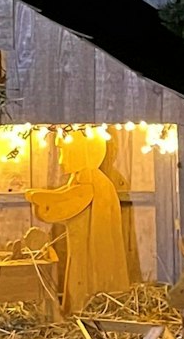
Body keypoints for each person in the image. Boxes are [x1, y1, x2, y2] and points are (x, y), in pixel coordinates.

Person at [26, 132, 134, 314]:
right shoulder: (82, 178)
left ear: (81, 152)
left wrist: (40, 199)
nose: (61, 160)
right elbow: (66, 195)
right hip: (81, 245)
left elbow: (70, 201)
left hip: (90, 249)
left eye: (65, 152)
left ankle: (85, 311)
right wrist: (41, 198)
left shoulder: (91, 181)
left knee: (85, 278)